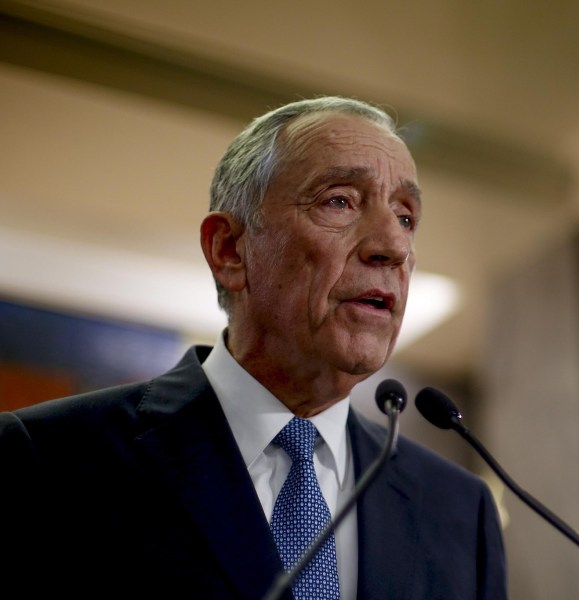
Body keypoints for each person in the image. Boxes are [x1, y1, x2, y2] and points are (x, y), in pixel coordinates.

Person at [0, 96, 507, 599]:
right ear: (229, 250)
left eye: (405, 217)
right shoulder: (46, 459)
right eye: (339, 201)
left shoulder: (461, 512)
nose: (393, 246)